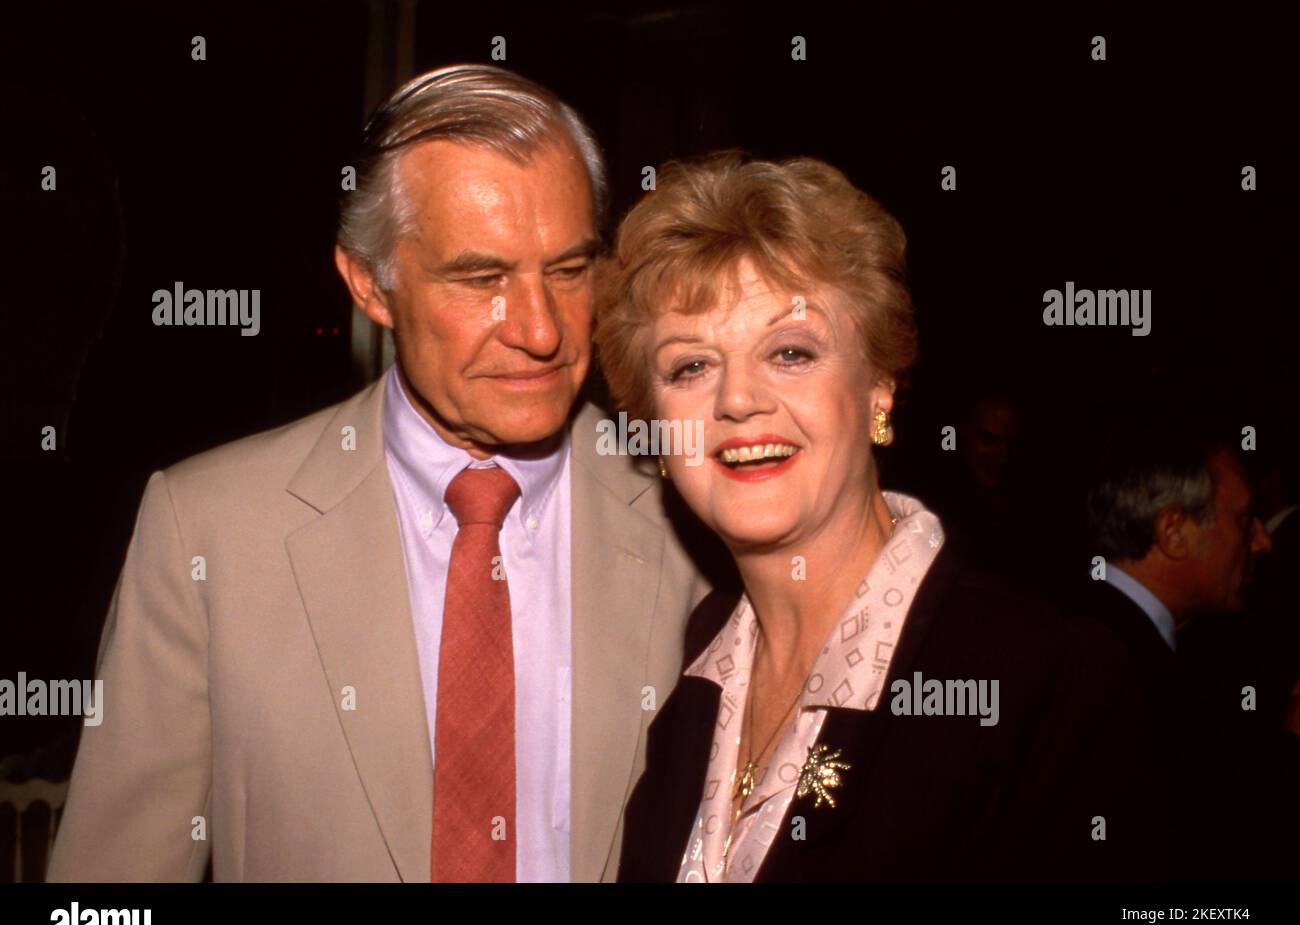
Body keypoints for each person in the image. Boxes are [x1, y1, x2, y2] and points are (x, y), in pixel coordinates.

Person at [47, 64, 710, 883]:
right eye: (482, 278)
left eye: (569, 271)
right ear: (371, 284)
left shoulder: (699, 519)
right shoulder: (210, 530)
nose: (541, 331)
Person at [599, 153, 1125, 882]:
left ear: (879, 387)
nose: (738, 400)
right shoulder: (697, 668)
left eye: (790, 352)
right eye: (691, 367)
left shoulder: (1043, 677)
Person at [1077, 418, 1300, 878]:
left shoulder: (1139, 640)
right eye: (1242, 520)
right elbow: (1192, 844)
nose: (1262, 540)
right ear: (1173, 532)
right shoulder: (1108, 666)